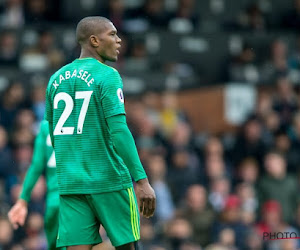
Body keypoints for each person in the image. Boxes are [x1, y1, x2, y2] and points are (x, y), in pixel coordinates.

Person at [45, 16, 156, 250]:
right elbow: (119, 131)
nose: (119, 40)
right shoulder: (107, 75)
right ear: (94, 40)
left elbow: (54, 135)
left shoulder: (55, 80)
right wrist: (142, 180)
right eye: (112, 34)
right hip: (110, 180)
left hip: (72, 183)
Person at [8, 120, 64, 250]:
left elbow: (36, 165)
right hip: (76, 198)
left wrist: (23, 200)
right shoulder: (81, 121)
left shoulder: (45, 126)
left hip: (53, 201)